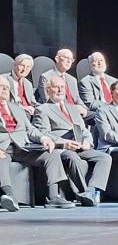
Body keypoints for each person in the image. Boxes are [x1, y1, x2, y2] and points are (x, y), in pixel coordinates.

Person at [33, 75, 112, 206]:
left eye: (62, 87)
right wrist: (64, 143)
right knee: (72, 157)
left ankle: (90, 191)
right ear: (48, 90)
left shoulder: (73, 108)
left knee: (104, 158)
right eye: (56, 87)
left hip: (80, 145)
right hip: (61, 147)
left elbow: (84, 129)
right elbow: (44, 133)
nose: (60, 90)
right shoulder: (42, 109)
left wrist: (87, 141)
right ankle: (83, 193)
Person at [0, 80, 73, 208]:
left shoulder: (17, 108)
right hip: (2, 148)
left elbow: (30, 129)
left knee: (52, 153)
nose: (5, 89)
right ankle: (9, 197)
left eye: (7, 87)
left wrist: (43, 138)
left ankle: (53, 197)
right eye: (1, 86)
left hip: (23, 146)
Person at [37, 48, 88, 117]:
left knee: (97, 116)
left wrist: (84, 108)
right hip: (58, 111)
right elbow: (48, 100)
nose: (69, 61)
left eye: (71, 60)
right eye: (67, 58)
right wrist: (72, 109)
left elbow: (77, 98)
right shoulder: (46, 77)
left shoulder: (72, 79)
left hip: (76, 111)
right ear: (57, 59)